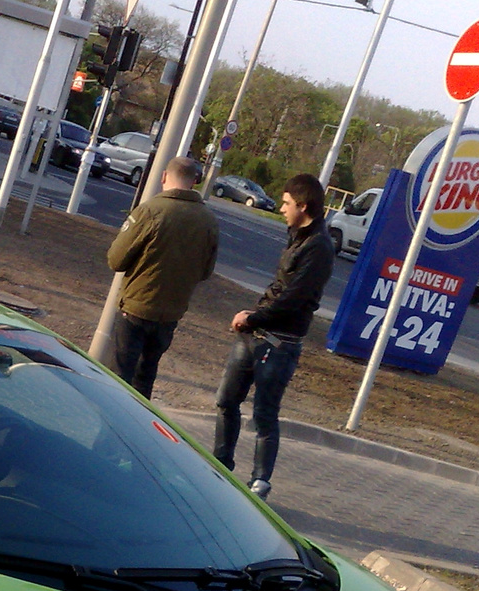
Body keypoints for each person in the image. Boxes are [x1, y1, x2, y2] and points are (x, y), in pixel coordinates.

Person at [213, 172, 334, 499]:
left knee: (265, 415)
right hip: (255, 334)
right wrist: (252, 319)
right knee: (226, 401)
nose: (281, 208)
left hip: (279, 343)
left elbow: (294, 298)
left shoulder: (319, 247)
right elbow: (279, 286)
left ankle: (260, 483)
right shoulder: (297, 234)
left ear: (303, 206)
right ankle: (220, 464)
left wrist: (252, 317)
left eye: (286, 203)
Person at [105, 156, 220, 399]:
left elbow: (116, 259)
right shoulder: (208, 221)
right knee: (145, 377)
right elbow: (206, 271)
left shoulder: (151, 210)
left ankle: (111, 429)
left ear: (165, 177)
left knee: (120, 377)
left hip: (136, 307)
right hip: (171, 313)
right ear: (194, 182)